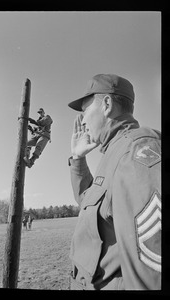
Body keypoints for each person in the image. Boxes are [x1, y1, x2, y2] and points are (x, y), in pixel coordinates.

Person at [67, 74, 161, 290]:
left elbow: (151, 269)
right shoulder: (113, 152)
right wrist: (78, 158)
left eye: (85, 111)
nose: (82, 121)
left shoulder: (136, 151)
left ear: (107, 105)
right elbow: (88, 206)